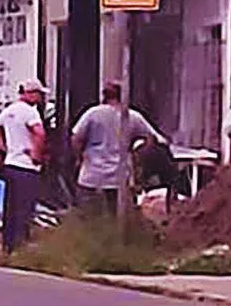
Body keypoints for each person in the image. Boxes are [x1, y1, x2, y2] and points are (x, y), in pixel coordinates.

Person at [69, 81, 162, 214]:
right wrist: (137, 155)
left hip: (92, 174)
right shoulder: (132, 116)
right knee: (116, 215)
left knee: (88, 215)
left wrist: (80, 157)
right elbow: (152, 138)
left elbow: (76, 138)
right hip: (120, 176)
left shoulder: (92, 113)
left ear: (104, 95)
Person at [0, 80, 46, 255]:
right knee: (24, 207)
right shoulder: (30, 112)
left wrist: (6, 148)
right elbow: (40, 133)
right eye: (38, 93)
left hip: (11, 163)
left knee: (10, 208)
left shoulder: (10, 110)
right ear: (29, 93)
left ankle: (7, 245)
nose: (40, 97)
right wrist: (36, 154)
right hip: (27, 166)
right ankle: (20, 246)